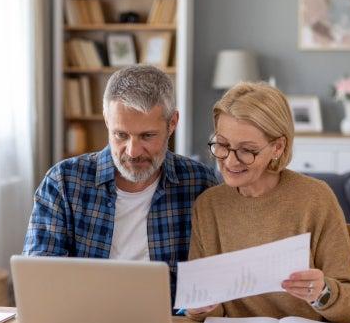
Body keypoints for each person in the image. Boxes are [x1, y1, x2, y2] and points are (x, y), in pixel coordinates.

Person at [23, 65, 218, 302]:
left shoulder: (200, 183)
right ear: (107, 120)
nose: (133, 152)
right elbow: (40, 279)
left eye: (147, 136)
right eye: (121, 135)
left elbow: (213, 274)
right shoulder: (63, 182)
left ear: (172, 123)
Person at [187, 82, 350, 323]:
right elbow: (210, 311)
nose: (230, 160)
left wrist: (322, 293)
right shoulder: (209, 206)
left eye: (247, 150)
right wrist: (201, 308)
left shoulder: (315, 198)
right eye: (222, 145)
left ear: (277, 147)